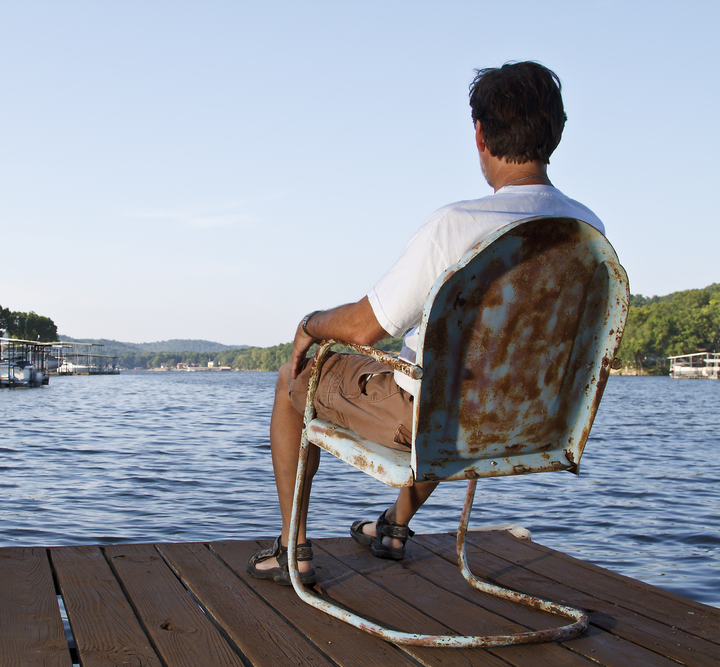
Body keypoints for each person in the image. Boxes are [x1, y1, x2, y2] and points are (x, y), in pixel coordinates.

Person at [247, 61, 607, 585]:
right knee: (459, 383)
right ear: (558, 130)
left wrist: (310, 324)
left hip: (435, 420)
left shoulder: (459, 225)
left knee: (291, 381)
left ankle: (291, 547)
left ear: (479, 133)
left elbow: (368, 327)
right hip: (534, 422)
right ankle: (393, 527)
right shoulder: (588, 230)